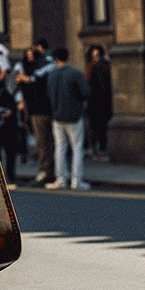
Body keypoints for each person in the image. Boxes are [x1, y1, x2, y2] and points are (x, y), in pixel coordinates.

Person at [46, 48, 92, 190]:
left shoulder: (51, 75)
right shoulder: (75, 73)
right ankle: (76, 181)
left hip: (57, 116)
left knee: (60, 148)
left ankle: (61, 179)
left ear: (55, 59)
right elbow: (86, 92)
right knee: (77, 148)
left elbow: (48, 94)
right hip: (74, 116)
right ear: (68, 57)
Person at [14, 37, 56, 185]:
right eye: (28, 56)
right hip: (35, 109)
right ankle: (47, 169)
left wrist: (27, 79)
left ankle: (46, 171)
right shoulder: (30, 69)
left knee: (43, 142)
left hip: (41, 109)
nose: (30, 58)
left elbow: (36, 80)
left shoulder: (42, 69)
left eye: (33, 55)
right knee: (43, 141)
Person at [85, 44, 113, 157]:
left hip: (95, 99)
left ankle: (97, 147)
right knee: (102, 125)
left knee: (95, 125)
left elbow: (88, 81)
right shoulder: (106, 64)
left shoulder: (92, 65)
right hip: (104, 98)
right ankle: (101, 147)